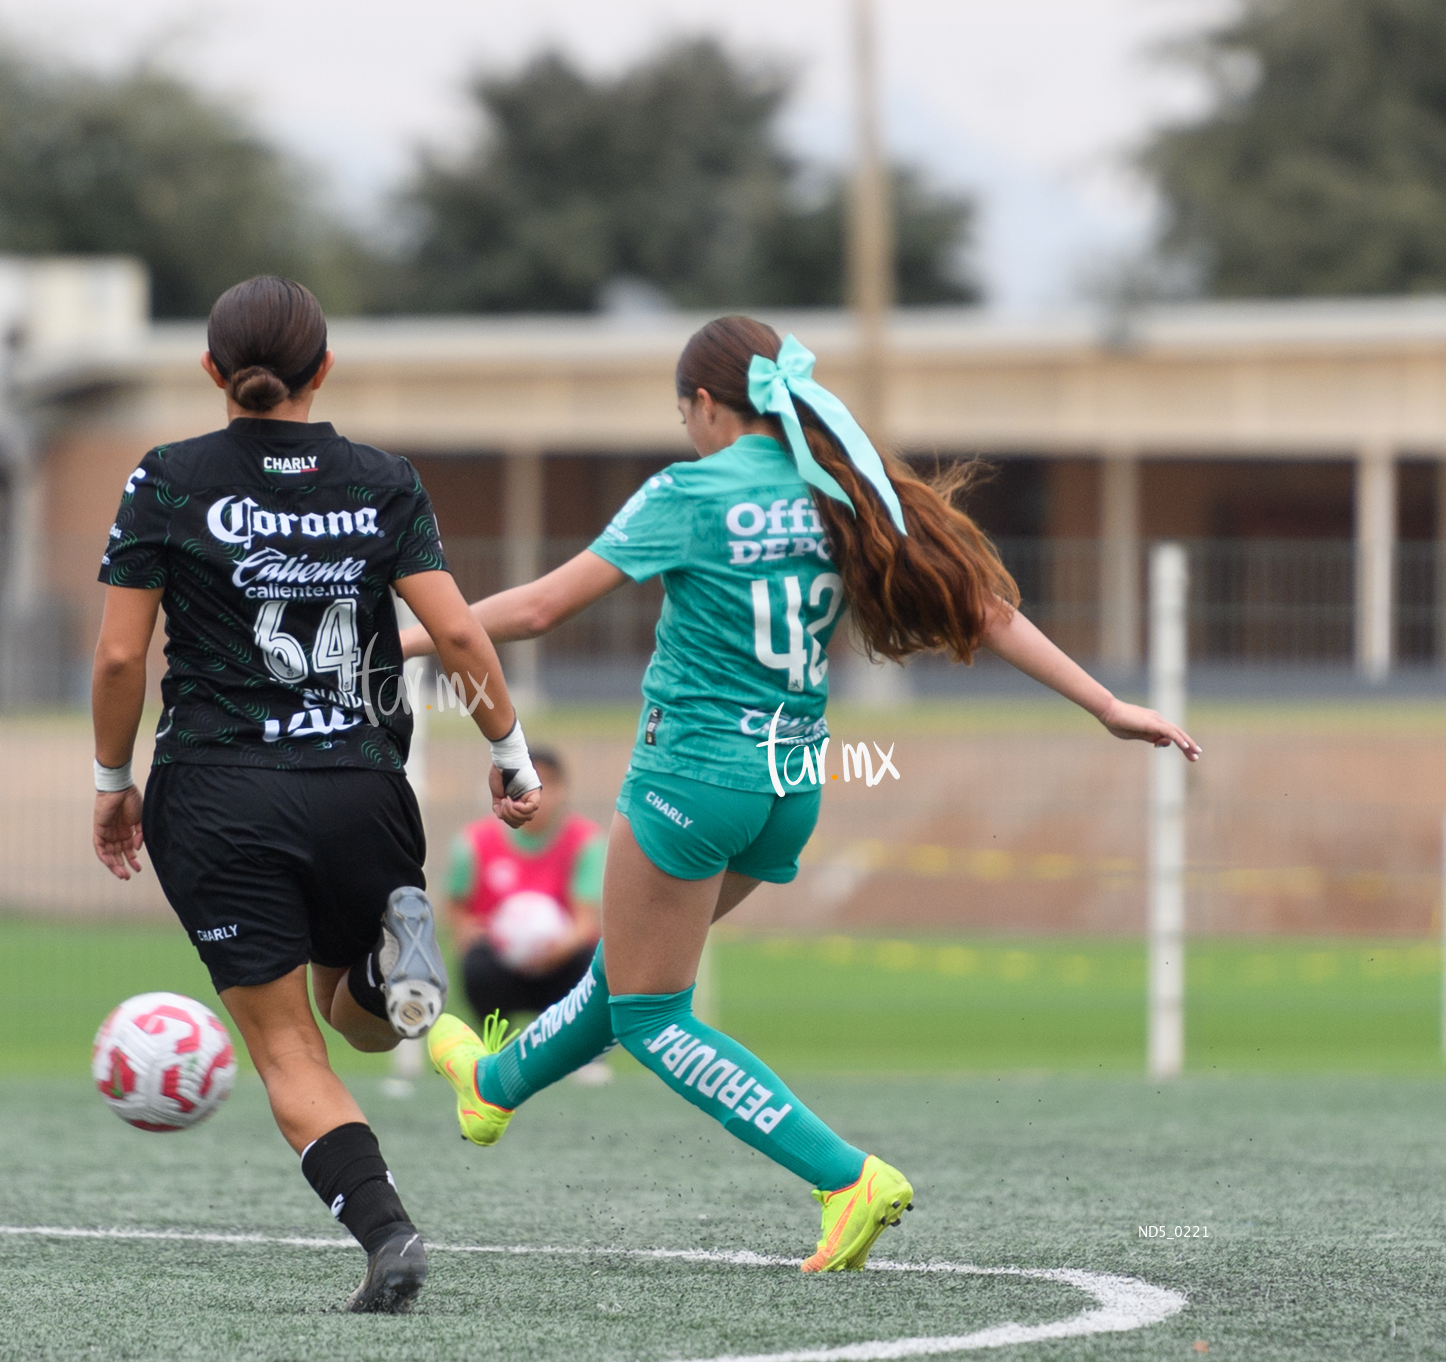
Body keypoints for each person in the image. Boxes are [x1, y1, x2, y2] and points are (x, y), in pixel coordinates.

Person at [404, 315, 1200, 1273]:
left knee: (653, 1013)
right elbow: (983, 608)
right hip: (789, 785)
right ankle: (490, 1085)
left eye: (685, 414)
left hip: (690, 782)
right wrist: (1108, 702)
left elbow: (534, 609)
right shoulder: (844, 490)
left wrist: (411, 638)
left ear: (705, 404)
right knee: (629, 973)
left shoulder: (690, 491)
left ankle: (842, 1174)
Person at [90, 276, 541, 1315]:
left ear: (211, 373)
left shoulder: (166, 479)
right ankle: (393, 962)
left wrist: (114, 782)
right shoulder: (381, 479)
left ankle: (386, 1237)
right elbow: (463, 636)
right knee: (365, 1024)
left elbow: (120, 657)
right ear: (322, 371)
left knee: (292, 1044)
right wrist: (509, 751)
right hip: (361, 787)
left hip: (216, 795)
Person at [444, 748, 605, 1032]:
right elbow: (457, 909)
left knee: (593, 959)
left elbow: (586, 920)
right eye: (527, 783)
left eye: (548, 785)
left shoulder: (586, 842)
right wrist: (471, 931)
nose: (538, 796)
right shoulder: (474, 842)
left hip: (563, 964)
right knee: (476, 962)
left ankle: (586, 1052)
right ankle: (494, 1042)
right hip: (500, 965)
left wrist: (558, 947)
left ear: (562, 790)